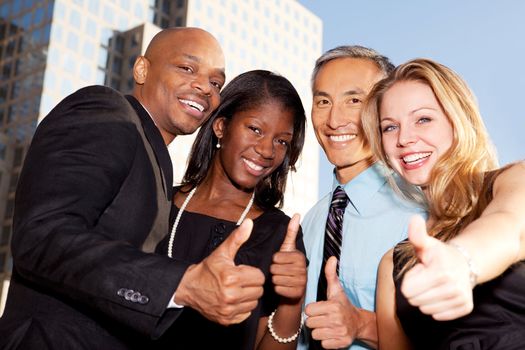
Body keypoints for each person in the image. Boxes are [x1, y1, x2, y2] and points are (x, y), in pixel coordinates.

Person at [0, 27, 269, 349]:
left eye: (216, 82)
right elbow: (43, 234)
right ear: (142, 69)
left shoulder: (157, 162)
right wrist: (180, 284)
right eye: (187, 68)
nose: (204, 88)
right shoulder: (105, 111)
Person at [362, 58, 525, 349]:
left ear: (457, 121)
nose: (404, 139)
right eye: (389, 127)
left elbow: (509, 226)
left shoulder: (514, 180)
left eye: (423, 119)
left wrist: (463, 261)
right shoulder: (392, 264)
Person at [154, 69, 307, 349]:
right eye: (256, 129)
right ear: (221, 126)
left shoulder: (279, 234)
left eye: (281, 141)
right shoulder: (156, 201)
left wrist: (292, 301)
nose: (267, 150)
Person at [297, 46, 424, 350]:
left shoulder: (420, 215)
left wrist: (362, 324)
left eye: (354, 100)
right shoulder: (311, 221)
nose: (334, 119)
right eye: (323, 101)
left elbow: (451, 337)